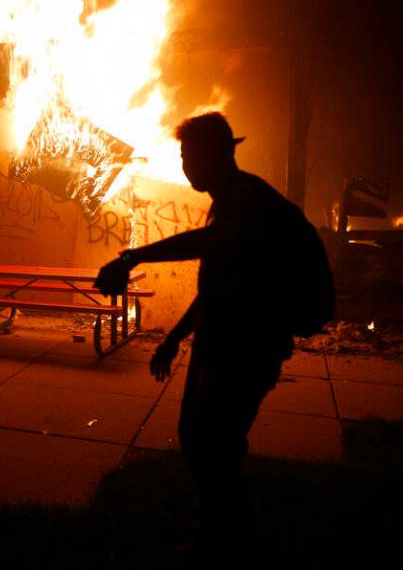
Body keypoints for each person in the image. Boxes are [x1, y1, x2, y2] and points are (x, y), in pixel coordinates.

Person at [94, 112, 301, 554]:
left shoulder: (246, 200)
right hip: (220, 341)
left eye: (191, 156)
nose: (186, 166)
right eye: (183, 157)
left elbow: (204, 246)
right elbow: (217, 286)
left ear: (221, 153)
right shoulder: (226, 202)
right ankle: (221, 532)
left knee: (215, 447)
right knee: (199, 437)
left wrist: (133, 257)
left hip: (247, 347)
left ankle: (228, 540)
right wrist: (173, 340)